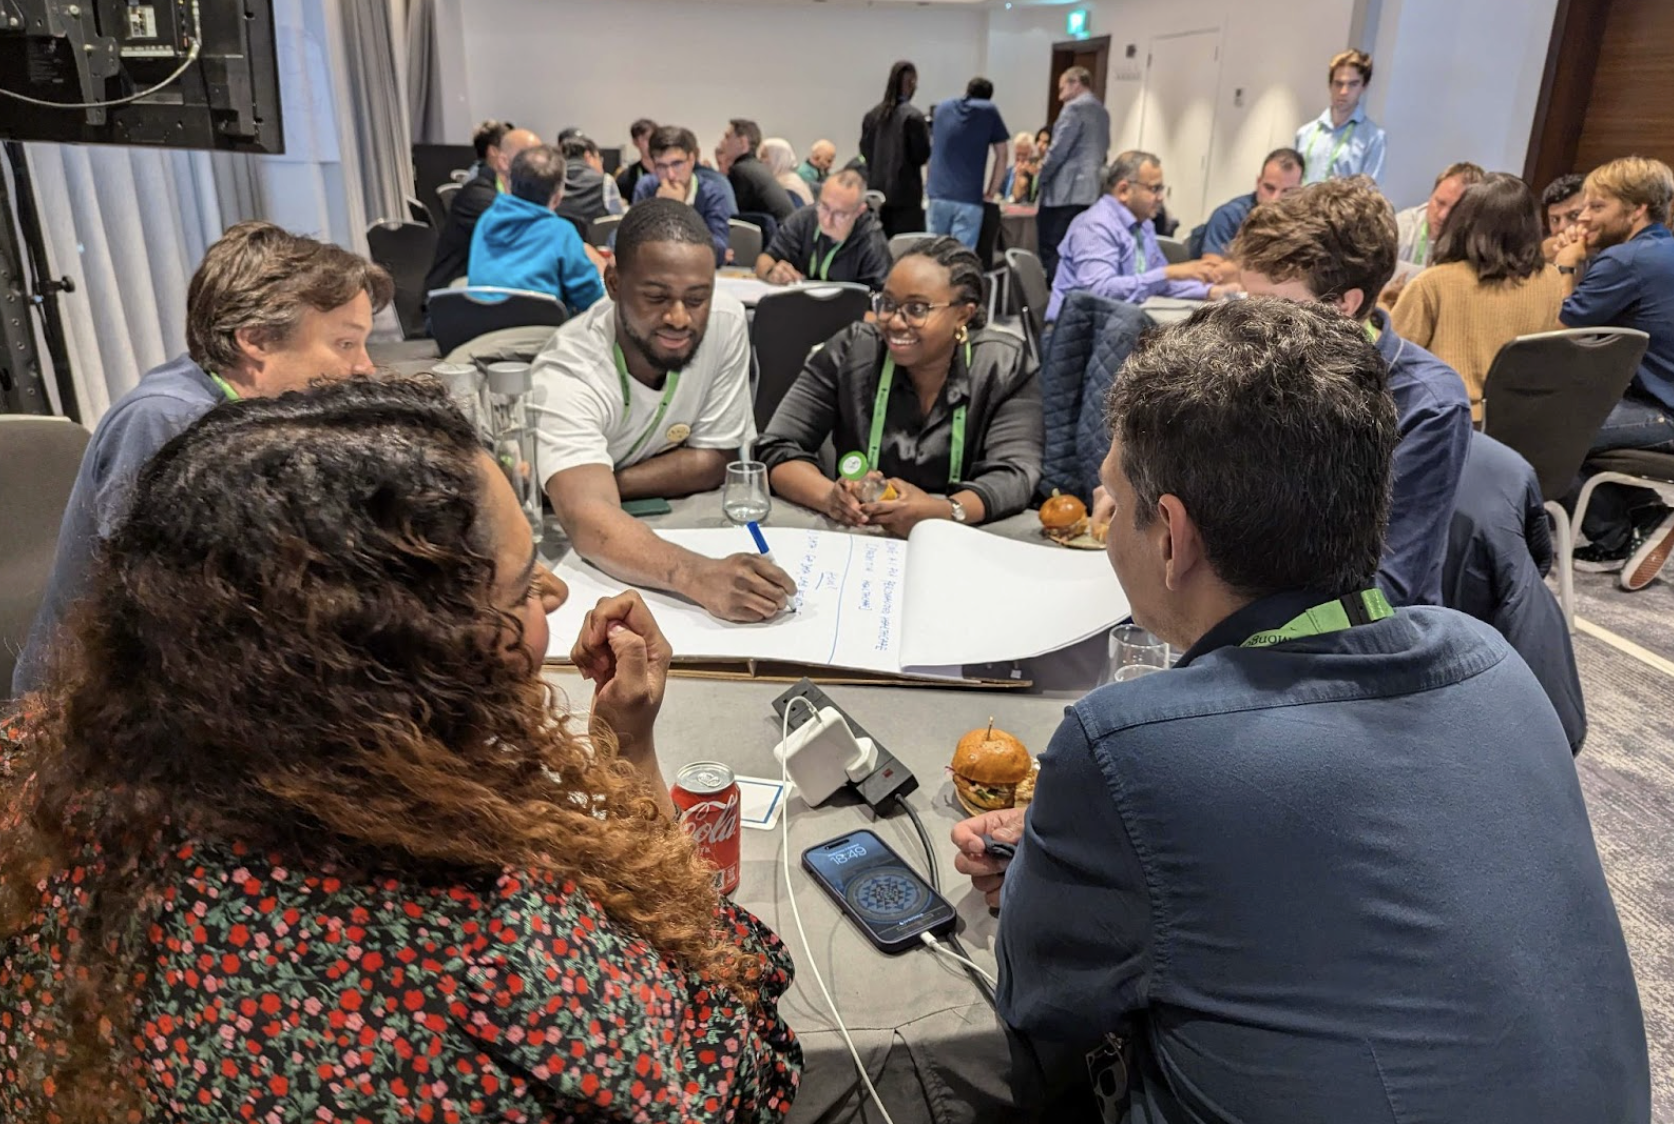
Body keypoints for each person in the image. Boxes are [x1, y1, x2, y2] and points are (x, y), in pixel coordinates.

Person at [0, 376, 804, 1122]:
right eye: (524, 586)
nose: (555, 595)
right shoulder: (483, 945)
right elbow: (726, 1052)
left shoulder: (40, 776)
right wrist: (629, 760)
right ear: (404, 655)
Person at [952, 298, 1649, 1124]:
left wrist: (1053, 856)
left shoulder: (1125, 750)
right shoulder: (1492, 663)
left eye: (1111, 501)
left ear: (1171, 536)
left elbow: (1045, 1005)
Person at [12, 222, 390, 695]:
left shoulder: (249, 402)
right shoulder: (166, 421)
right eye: (345, 344)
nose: (365, 367)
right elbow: (158, 609)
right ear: (255, 340)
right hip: (91, 705)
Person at [534, 200, 793, 621]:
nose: (679, 318)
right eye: (656, 297)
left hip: (659, 518)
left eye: (696, 298)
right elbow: (589, 524)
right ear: (614, 282)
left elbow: (714, 461)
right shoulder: (567, 370)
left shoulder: (725, 322)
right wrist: (695, 574)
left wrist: (601, 485)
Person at [1232, 176, 1471, 606]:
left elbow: (1388, 590)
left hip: (1349, 636)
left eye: (1270, 305)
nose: (1250, 322)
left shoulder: (1427, 406)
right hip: (1249, 605)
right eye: (1246, 298)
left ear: (1343, 305)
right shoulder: (1257, 360)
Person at [756, 237, 1042, 535]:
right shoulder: (854, 349)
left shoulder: (1003, 364)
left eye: (917, 308)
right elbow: (777, 446)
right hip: (864, 539)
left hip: (966, 538)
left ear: (963, 315)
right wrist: (829, 498)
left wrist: (944, 513)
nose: (893, 321)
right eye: (888, 303)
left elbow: (1016, 473)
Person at [1554, 155, 1674, 588]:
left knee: (1547, 428)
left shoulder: (1626, 261)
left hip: (1663, 412)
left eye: (1597, 207)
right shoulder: (1662, 251)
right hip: (1659, 405)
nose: (1584, 217)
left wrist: (1567, 263)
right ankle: (1642, 514)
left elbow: (1561, 332)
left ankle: (1620, 530)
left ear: (1637, 208)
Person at [1392, 173, 1565, 420]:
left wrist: (1384, 311)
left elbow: (1391, 362)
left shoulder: (1432, 284)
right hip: (1519, 423)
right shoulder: (1551, 279)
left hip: (1443, 423)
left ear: (1462, 221)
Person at [1045, 151, 1236, 322]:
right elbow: (1099, 292)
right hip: (1072, 337)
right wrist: (1169, 272)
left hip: (1110, 326)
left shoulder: (1143, 225)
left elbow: (1157, 284)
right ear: (1123, 190)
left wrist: (1210, 292)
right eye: (1154, 189)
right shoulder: (1095, 225)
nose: (1161, 197)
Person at [468, 145, 606, 313]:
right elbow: (590, 297)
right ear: (557, 197)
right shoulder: (562, 232)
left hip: (479, 330)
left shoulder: (486, 220)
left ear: (510, 183)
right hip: (540, 334)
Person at [426, 121, 540, 292]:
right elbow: (525, 236)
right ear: (502, 159)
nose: (539, 164)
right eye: (529, 156)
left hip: (489, 292)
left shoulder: (511, 193)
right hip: (454, 300)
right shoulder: (477, 195)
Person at [755, 169, 891, 289]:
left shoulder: (872, 243)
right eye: (824, 207)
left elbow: (879, 301)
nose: (827, 221)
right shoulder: (803, 220)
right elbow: (765, 258)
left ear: (859, 211)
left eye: (840, 214)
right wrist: (772, 272)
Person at [1035, 66, 1111, 280]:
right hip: (1090, 192)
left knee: (1052, 248)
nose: (1059, 96)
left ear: (1075, 82)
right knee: (1076, 247)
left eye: (1061, 88)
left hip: (1063, 193)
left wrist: (1040, 178)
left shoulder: (1073, 110)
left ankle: (1053, 299)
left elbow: (1058, 151)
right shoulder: (1102, 111)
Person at [631, 125, 738, 266]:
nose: (670, 175)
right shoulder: (646, 188)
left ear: (692, 159)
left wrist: (678, 210)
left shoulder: (712, 193)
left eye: (677, 164)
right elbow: (632, 243)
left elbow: (716, 252)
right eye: (661, 166)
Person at [926, 77, 1009, 249]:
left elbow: (932, 152)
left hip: (938, 195)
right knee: (961, 260)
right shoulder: (988, 110)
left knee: (933, 257)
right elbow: (1002, 155)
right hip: (968, 198)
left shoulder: (942, 109)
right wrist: (991, 193)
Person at [859, 60, 931, 237]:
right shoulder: (914, 117)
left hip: (875, 196)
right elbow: (921, 155)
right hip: (906, 200)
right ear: (911, 83)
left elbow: (864, 150)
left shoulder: (872, 116)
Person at [1195, 148, 1305, 260]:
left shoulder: (1302, 225)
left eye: (1287, 191)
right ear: (1258, 182)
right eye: (1269, 188)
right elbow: (1212, 270)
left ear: (1299, 191)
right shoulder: (1229, 216)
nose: (1275, 199)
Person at [1295, 49, 1386, 184]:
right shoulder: (1305, 133)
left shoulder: (1373, 138)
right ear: (1330, 85)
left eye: (1353, 84)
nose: (1344, 92)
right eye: (1338, 84)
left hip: (1344, 205)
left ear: (1364, 86)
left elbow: (1368, 196)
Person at [1395, 161, 1486, 270]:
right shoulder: (1403, 226)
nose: (1443, 216)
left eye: (1455, 210)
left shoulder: (1478, 247)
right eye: (1440, 202)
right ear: (1431, 195)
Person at [720, 118, 795, 224]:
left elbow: (733, 218)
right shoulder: (757, 168)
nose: (722, 142)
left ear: (742, 142)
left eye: (727, 137)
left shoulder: (740, 172)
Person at [555, 133, 625, 226]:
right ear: (588, 156)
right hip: (596, 240)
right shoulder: (605, 182)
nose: (601, 164)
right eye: (599, 158)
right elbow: (618, 221)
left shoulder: (552, 180)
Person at [1541, 172, 1585, 262]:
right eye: (1555, 219)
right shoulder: (1544, 253)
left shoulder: (1609, 259)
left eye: (1574, 215)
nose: (1562, 227)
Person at [760, 137, 814, 207]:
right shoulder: (793, 178)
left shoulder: (787, 187)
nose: (760, 160)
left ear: (777, 158)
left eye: (764, 156)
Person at [615, 116, 658, 200]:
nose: (652, 143)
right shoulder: (626, 178)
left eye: (654, 138)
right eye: (646, 139)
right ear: (635, 142)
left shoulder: (671, 172)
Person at [1001, 131, 1040, 204]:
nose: (1021, 158)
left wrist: (1021, 175)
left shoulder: (1037, 175)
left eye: (1024, 155)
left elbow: (1019, 196)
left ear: (1032, 153)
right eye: (1018, 154)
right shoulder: (1007, 173)